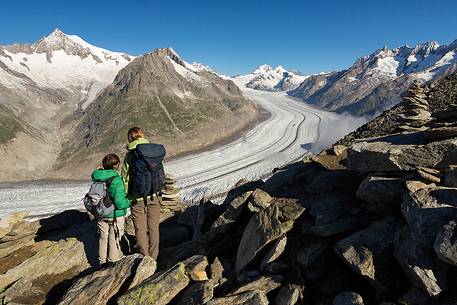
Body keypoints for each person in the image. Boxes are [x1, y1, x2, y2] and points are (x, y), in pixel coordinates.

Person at [121, 127, 162, 260]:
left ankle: (144, 258)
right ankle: (154, 258)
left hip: (136, 198)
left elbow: (125, 179)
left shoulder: (130, 156)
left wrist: (128, 196)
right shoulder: (154, 152)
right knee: (154, 228)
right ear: (142, 135)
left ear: (130, 138)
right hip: (154, 195)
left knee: (140, 229)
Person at [91, 153, 131, 267]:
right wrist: (128, 202)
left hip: (100, 213)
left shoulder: (97, 177)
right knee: (114, 236)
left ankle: (102, 261)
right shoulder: (116, 179)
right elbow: (119, 202)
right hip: (114, 214)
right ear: (117, 165)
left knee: (103, 237)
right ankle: (113, 260)